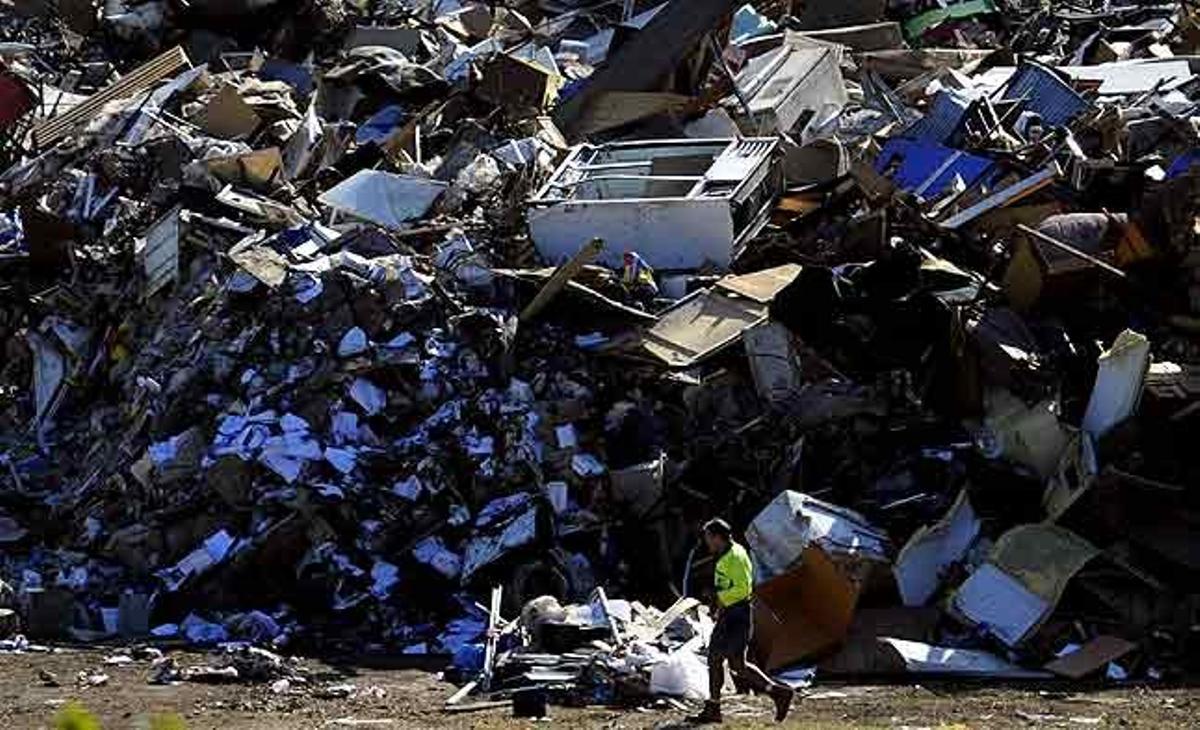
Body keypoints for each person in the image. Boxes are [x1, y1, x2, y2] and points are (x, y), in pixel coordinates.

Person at [690, 518, 793, 724]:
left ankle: (715, 707)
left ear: (718, 538)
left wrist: (720, 598)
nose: (707, 542)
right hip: (730, 613)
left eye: (709, 537)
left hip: (737, 615)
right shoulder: (725, 553)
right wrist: (717, 606)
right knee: (730, 662)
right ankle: (775, 693)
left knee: (722, 659)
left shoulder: (735, 556)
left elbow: (743, 589)